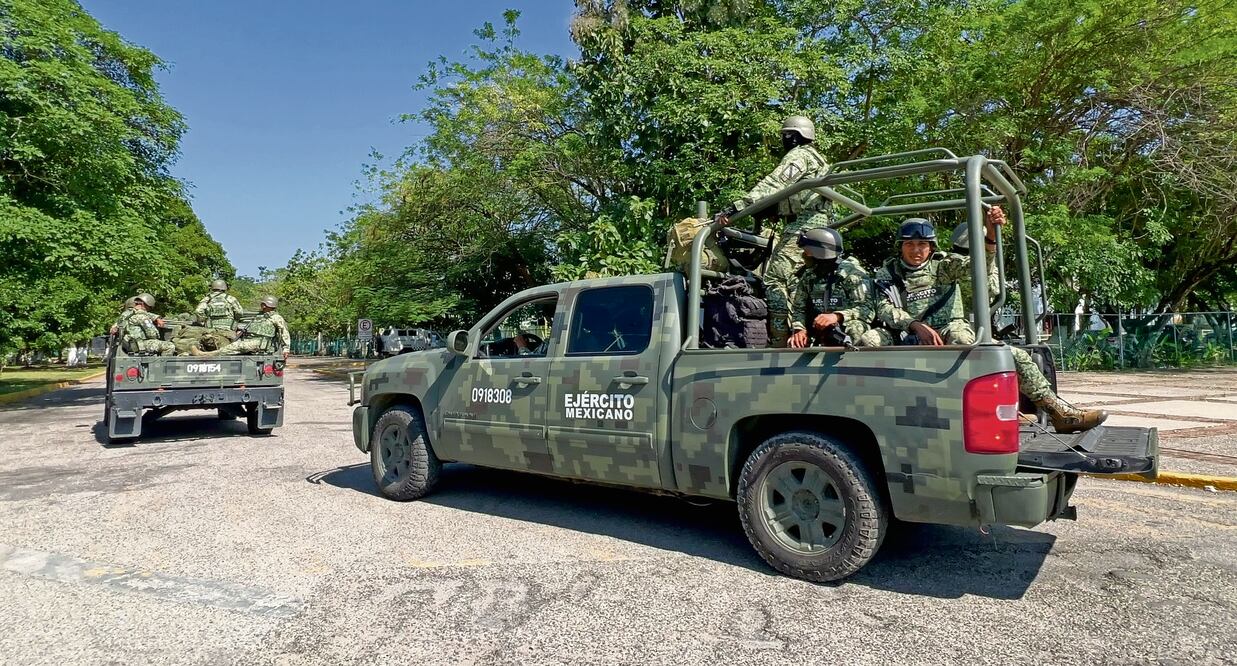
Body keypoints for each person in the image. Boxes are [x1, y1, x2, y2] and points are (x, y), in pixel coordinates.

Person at [871, 209, 1106, 433]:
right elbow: (883, 307)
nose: (916, 250)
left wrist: (991, 237)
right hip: (903, 335)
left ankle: (1058, 413)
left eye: (922, 244)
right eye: (909, 244)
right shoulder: (887, 274)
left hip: (948, 329)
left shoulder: (942, 266)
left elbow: (976, 269)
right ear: (900, 247)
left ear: (931, 247)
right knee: (868, 342)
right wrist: (914, 325)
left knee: (1001, 352)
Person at [716, 115, 831, 347]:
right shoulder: (819, 159)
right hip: (816, 224)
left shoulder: (800, 155)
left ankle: (779, 340)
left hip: (803, 226)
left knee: (775, 279)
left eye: (785, 135)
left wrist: (738, 206)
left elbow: (774, 183)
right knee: (797, 281)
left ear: (794, 136)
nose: (783, 140)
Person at [787, 227, 881, 349]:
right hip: (818, 330)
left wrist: (837, 316)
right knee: (794, 342)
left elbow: (867, 309)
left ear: (819, 252)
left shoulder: (852, 275)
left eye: (807, 251)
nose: (804, 255)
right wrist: (799, 329)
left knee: (856, 327)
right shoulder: (809, 276)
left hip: (844, 330)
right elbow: (799, 309)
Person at [195, 295, 290, 359]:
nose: (261, 306)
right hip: (251, 341)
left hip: (259, 344)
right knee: (230, 345)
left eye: (263, 304)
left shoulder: (276, 318)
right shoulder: (259, 316)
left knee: (231, 348)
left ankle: (205, 355)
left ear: (265, 305)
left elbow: (284, 333)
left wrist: (286, 349)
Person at [112, 293, 176, 356]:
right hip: (139, 345)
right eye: (149, 307)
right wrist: (157, 329)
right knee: (170, 346)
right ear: (143, 304)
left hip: (128, 344)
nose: (149, 309)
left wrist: (156, 318)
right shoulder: (142, 317)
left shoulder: (125, 315)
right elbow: (152, 335)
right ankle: (162, 365)